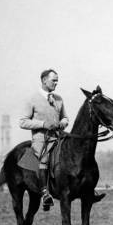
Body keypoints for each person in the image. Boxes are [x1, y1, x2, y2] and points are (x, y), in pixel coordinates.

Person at [18, 69, 68, 211]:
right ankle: (45, 193)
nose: (56, 83)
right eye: (54, 80)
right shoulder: (32, 99)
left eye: (57, 80)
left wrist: (63, 123)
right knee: (43, 159)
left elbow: (65, 117)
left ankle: (84, 187)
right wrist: (43, 124)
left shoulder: (59, 99)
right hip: (41, 139)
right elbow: (22, 122)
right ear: (44, 80)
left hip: (58, 136)